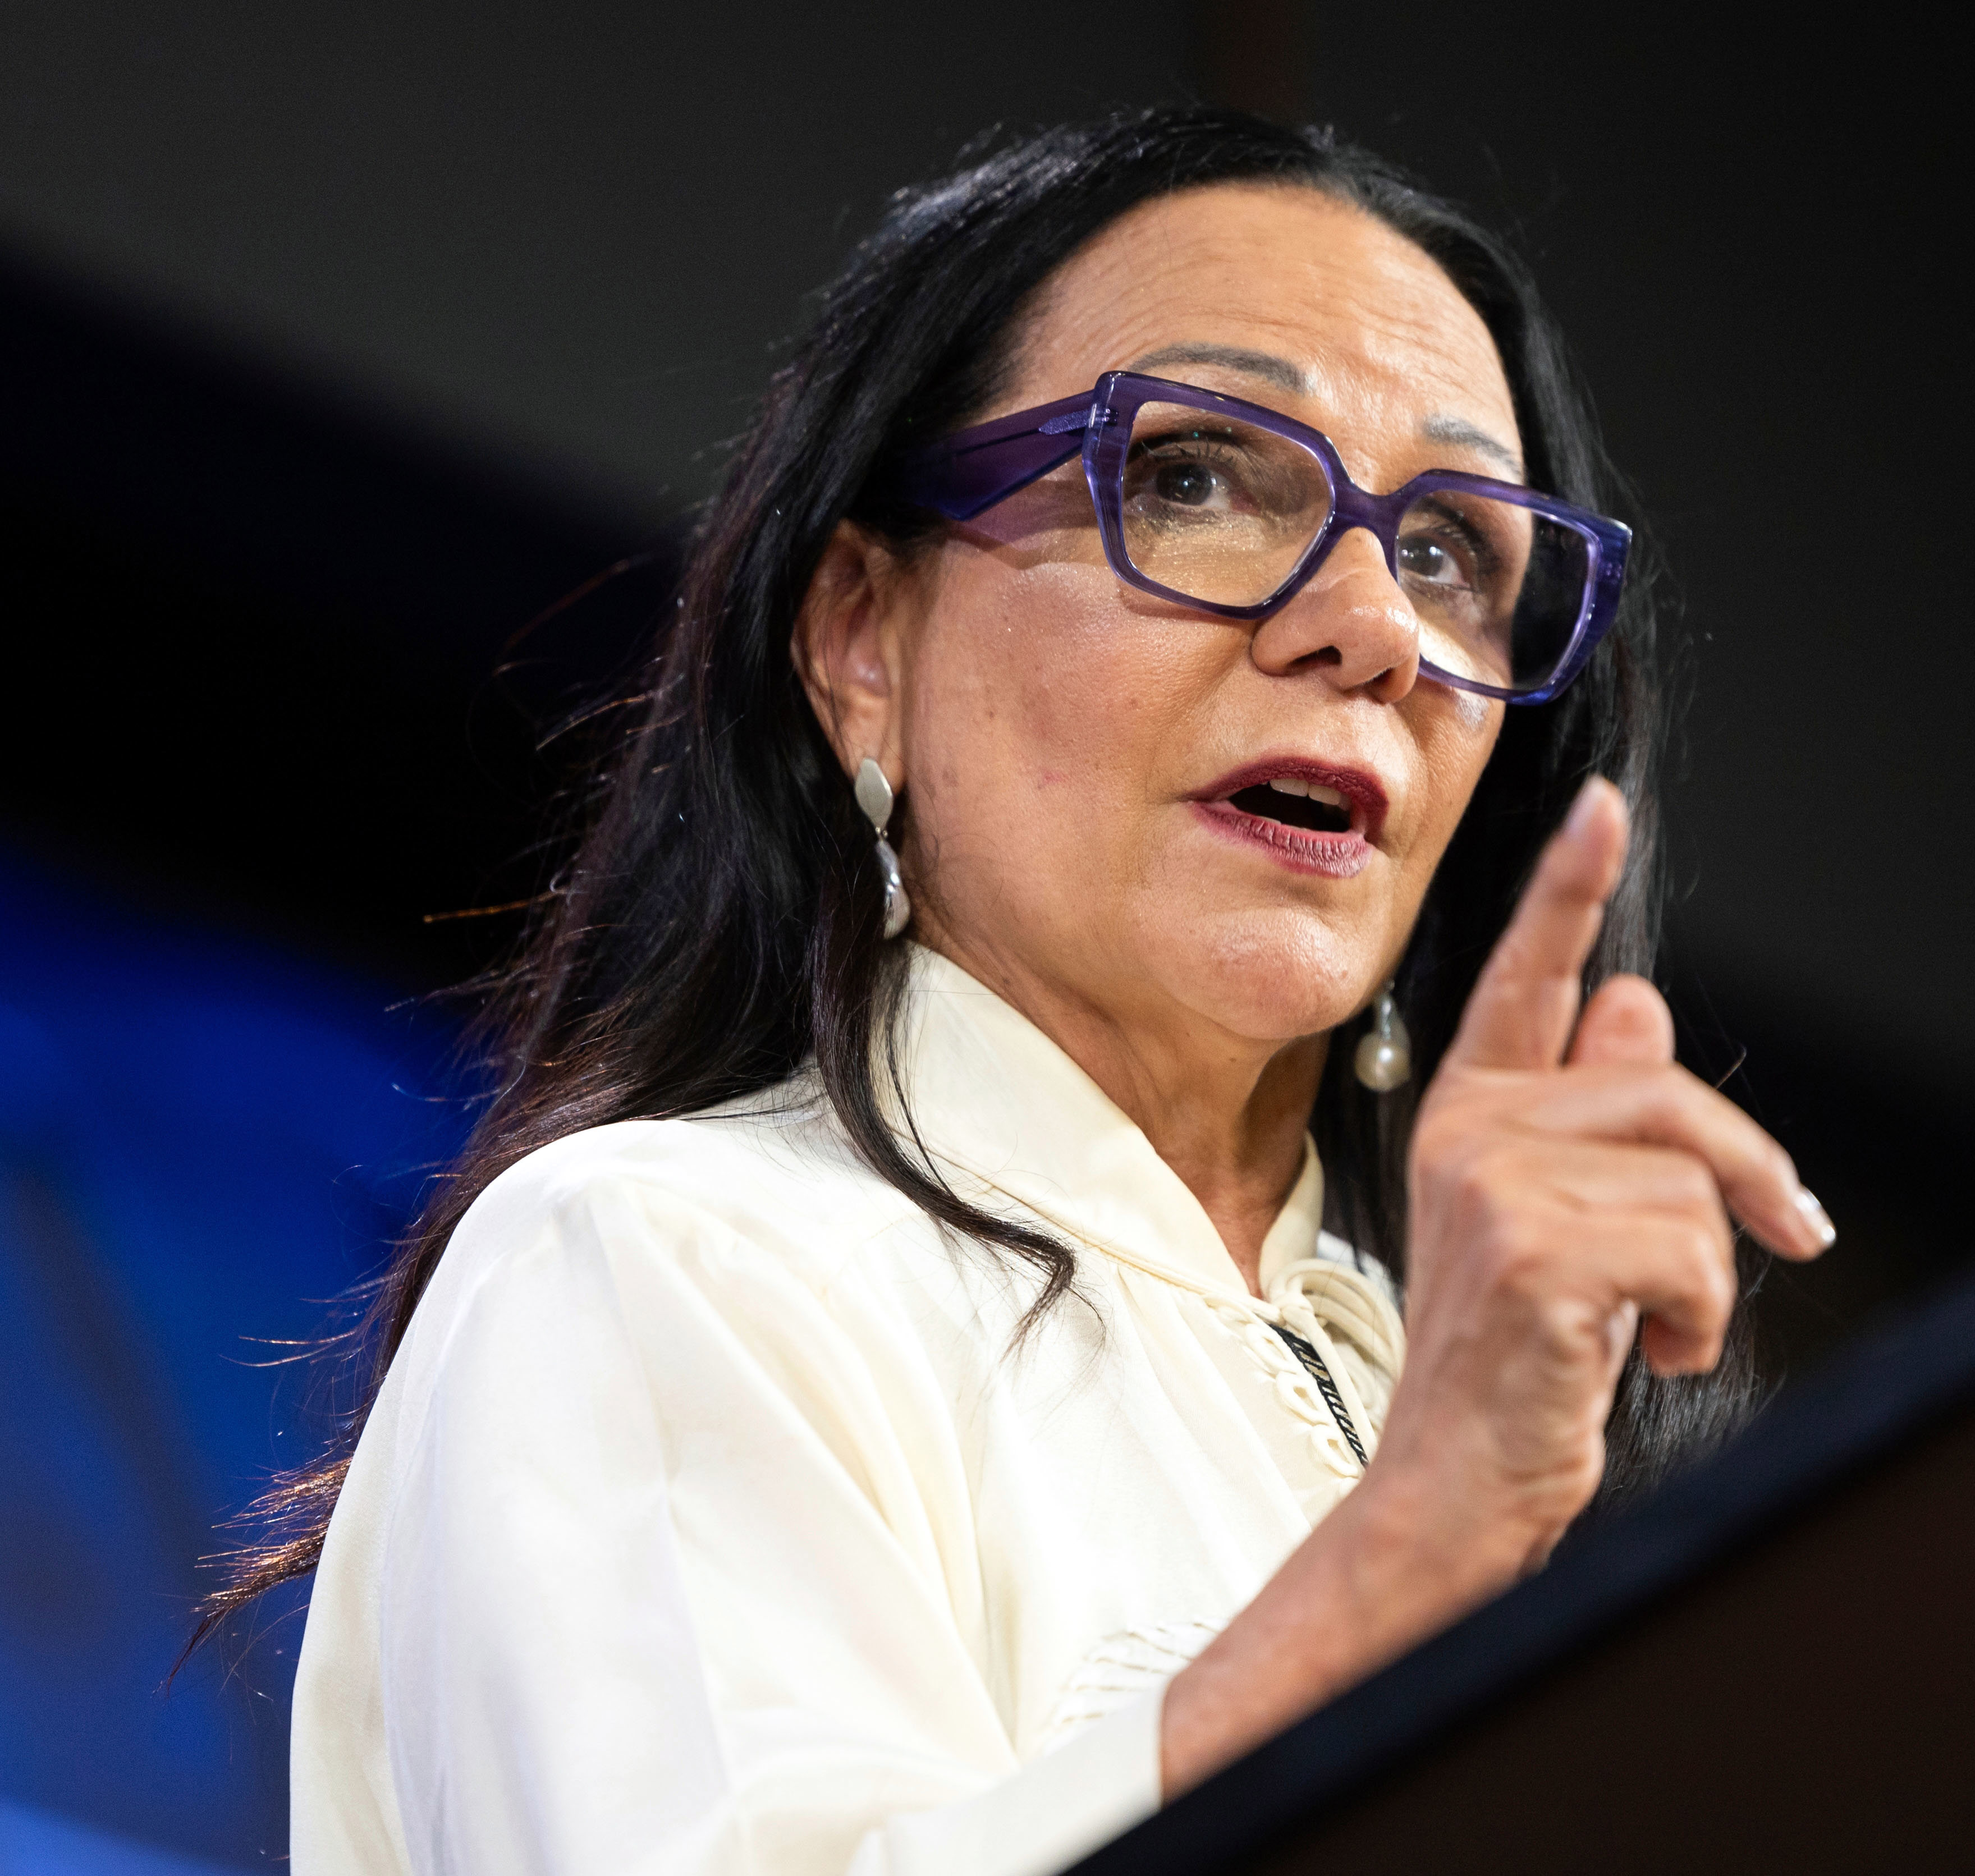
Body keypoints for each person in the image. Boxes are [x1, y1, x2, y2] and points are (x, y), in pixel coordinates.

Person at [223, 108, 1832, 1874]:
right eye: (1196, 477)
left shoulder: (1520, 1431)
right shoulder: (665, 1261)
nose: (1370, 622)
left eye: (1450, 548)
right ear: (862, 643)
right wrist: (1404, 1564)